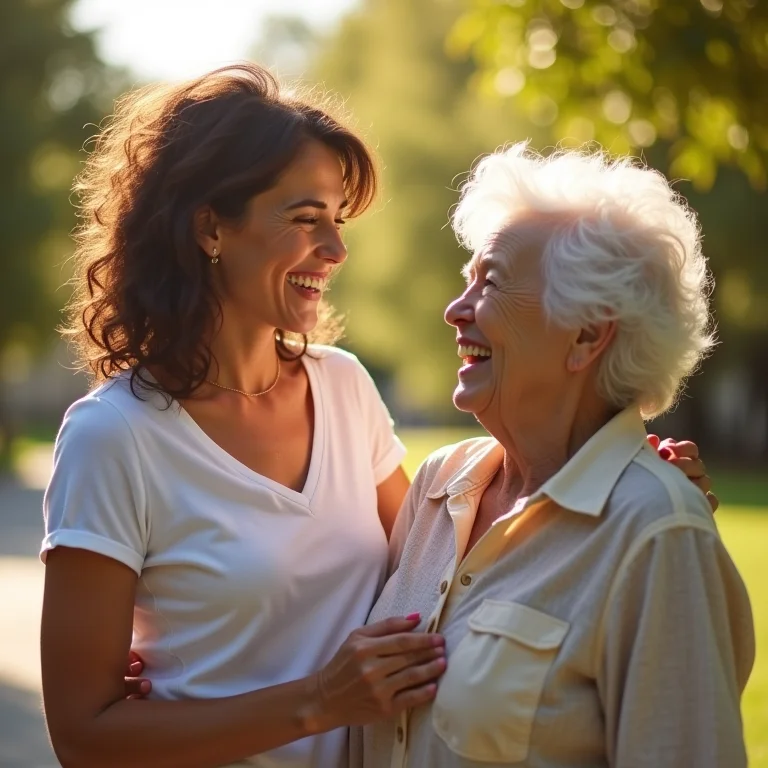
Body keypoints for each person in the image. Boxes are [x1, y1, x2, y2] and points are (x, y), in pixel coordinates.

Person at [40, 64, 716, 768]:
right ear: (212, 226)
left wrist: (623, 493)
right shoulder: (113, 437)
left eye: (338, 220)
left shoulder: (343, 388)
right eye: (306, 220)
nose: (335, 251)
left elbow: (446, 566)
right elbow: (85, 736)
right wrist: (319, 702)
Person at [357, 143, 755, 768]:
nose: (454, 310)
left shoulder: (657, 531)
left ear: (588, 335)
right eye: (467, 280)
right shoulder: (440, 484)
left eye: (489, 283)